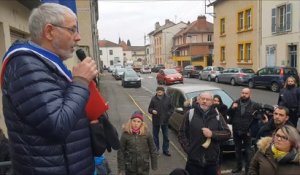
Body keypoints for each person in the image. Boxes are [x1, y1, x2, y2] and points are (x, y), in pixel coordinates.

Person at [1, 3, 98, 175]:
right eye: (72, 30)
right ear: (49, 31)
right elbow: (58, 125)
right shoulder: (25, 66)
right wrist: (81, 81)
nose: (78, 37)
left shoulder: (48, 63)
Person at [178, 92, 231, 175]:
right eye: (202, 99)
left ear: (212, 102)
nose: (205, 101)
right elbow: (181, 133)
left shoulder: (217, 115)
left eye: (208, 99)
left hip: (212, 162)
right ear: (198, 100)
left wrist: (212, 134)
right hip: (193, 162)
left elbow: (227, 133)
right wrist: (188, 149)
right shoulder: (190, 114)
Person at [228, 88, 261, 174]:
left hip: (247, 132)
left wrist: (252, 129)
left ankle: (247, 170)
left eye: (246, 93)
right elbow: (228, 113)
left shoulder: (254, 105)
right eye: (242, 93)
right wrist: (232, 108)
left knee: (248, 152)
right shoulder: (235, 102)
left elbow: (258, 118)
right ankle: (238, 167)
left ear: (250, 94)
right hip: (236, 130)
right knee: (237, 149)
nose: (244, 95)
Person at [117, 111, 158, 175]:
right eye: (134, 121)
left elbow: (153, 149)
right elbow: (120, 152)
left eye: (138, 121)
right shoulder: (125, 135)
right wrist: (121, 169)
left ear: (141, 123)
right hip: (130, 168)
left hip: (144, 168)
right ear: (131, 121)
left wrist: (154, 164)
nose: (136, 123)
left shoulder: (147, 134)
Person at [148, 86, 174, 156]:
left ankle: (165, 150)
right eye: (158, 91)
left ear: (163, 91)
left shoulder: (168, 99)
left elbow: (172, 109)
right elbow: (149, 109)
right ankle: (156, 150)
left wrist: (168, 114)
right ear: (156, 91)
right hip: (156, 120)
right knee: (155, 136)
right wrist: (152, 111)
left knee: (166, 136)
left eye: (160, 91)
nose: (159, 92)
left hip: (165, 121)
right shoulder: (153, 99)